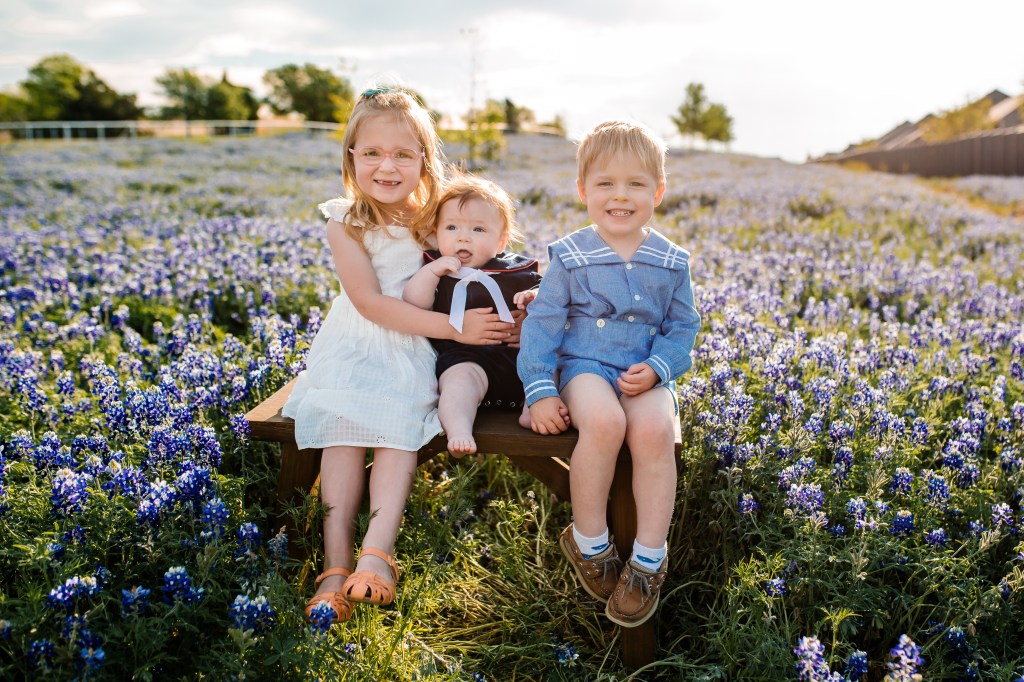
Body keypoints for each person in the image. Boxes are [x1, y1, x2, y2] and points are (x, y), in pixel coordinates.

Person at [282, 86, 516, 627]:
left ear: (425, 160)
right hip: (356, 344)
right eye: (372, 153)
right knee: (342, 434)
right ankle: (334, 567)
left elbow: (485, 248)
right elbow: (369, 302)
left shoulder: (435, 215)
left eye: (403, 154)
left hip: (413, 349)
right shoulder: (344, 220)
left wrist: (515, 304)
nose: (386, 167)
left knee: (397, 431)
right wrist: (456, 327)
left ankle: (377, 555)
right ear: (351, 157)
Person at [517, 120, 701, 628]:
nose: (620, 195)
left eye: (635, 184)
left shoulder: (671, 261)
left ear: (657, 192)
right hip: (585, 367)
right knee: (604, 423)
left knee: (655, 430)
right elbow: (543, 325)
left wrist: (661, 367)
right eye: (606, 183)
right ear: (583, 191)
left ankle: (649, 557)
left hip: (645, 370)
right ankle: (590, 540)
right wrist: (540, 389)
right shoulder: (570, 255)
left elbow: (683, 326)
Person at [403, 174, 546, 455]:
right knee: (458, 383)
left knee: (553, 367)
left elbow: (552, 300)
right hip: (466, 358)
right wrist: (431, 273)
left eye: (478, 229)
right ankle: (459, 428)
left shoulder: (517, 271)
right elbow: (414, 302)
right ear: (436, 233)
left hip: (519, 361)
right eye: (451, 227)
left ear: (501, 242)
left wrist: (534, 300)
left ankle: (534, 409)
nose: (463, 237)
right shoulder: (438, 269)